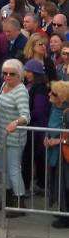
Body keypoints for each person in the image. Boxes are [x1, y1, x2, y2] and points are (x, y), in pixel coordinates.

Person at [0, 59, 30, 217]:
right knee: (2, 168)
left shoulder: (20, 91)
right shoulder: (4, 85)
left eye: (11, 74)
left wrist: (15, 122)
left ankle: (19, 203)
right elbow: (1, 104)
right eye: (4, 73)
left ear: (19, 75)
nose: (7, 76)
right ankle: (7, 199)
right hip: (1, 136)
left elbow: (26, 116)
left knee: (13, 170)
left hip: (14, 138)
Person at [21, 59, 50, 195]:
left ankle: (27, 187)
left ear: (35, 73)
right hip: (33, 126)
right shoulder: (32, 85)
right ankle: (41, 185)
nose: (26, 73)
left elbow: (38, 110)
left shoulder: (40, 88)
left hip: (36, 128)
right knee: (36, 157)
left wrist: (23, 117)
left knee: (29, 157)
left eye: (28, 71)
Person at [44, 80, 69, 228]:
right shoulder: (55, 108)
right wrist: (47, 137)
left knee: (64, 183)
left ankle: (66, 216)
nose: (49, 94)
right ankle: (63, 210)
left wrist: (58, 141)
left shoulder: (66, 112)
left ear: (62, 97)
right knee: (58, 181)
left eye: (53, 93)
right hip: (56, 152)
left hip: (64, 154)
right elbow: (50, 125)